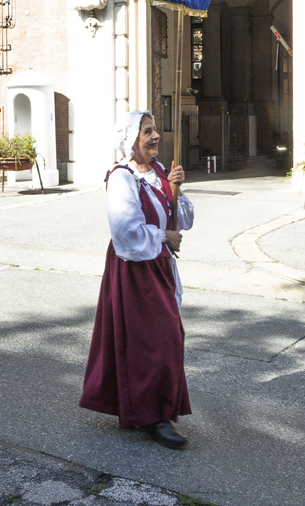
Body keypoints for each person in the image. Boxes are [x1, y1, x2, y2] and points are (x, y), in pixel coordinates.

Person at [79, 110, 195, 450]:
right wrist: (163, 237)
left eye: (155, 129)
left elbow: (182, 219)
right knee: (156, 340)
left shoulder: (159, 172)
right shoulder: (121, 177)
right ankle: (153, 417)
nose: (155, 136)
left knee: (159, 337)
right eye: (147, 131)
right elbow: (125, 231)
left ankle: (145, 410)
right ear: (131, 140)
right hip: (133, 268)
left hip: (157, 265)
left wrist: (177, 189)